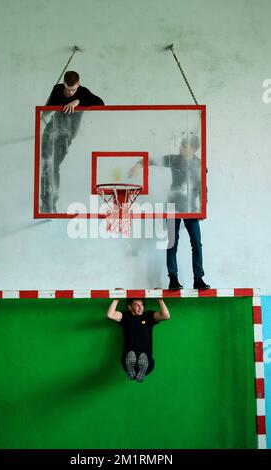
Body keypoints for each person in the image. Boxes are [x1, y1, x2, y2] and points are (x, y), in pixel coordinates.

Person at [40, 71, 104, 212]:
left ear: (78, 85)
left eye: (73, 90)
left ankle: (52, 202)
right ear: (63, 84)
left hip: (65, 135)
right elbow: (49, 105)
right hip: (51, 131)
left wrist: (78, 101)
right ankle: (45, 202)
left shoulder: (82, 92)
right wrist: (42, 116)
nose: (70, 93)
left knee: (54, 164)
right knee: (45, 165)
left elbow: (101, 104)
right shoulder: (57, 89)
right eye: (68, 90)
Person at [164, 135, 210, 290]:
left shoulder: (198, 164)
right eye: (181, 145)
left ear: (193, 149)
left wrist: (203, 207)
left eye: (184, 146)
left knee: (197, 243)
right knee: (172, 243)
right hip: (173, 207)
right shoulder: (174, 159)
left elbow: (203, 188)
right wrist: (139, 164)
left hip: (190, 208)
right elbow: (152, 160)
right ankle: (173, 279)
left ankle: (198, 278)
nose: (180, 148)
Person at [107, 297, 170, 382]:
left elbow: (166, 315)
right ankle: (132, 369)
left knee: (145, 359)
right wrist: (117, 298)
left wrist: (159, 299)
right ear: (129, 307)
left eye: (142, 305)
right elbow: (110, 315)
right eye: (137, 305)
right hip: (129, 355)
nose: (140, 308)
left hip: (146, 357)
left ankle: (141, 371)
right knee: (130, 355)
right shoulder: (125, 316)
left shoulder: (148, 316)